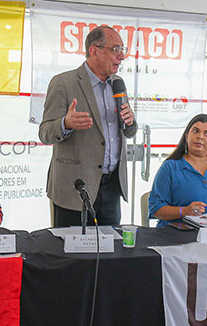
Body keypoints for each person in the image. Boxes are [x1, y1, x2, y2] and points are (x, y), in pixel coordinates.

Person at [39, 25, 137, 227]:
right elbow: (45, 132)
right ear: (94, 51)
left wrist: (130, 122)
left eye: (122, 50)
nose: (122, 57)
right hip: (75, 187)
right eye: (115, 49)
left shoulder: (118, 83)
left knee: (110, 252)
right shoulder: (63, 83)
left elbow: (128, 131)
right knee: (73, 254)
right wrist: (65, 123)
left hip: (111, 187)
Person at [148, 114, 207, 227]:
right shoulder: (170, 168)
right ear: (187, 135)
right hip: (176, 236)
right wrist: (184, 211)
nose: (200, 137)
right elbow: (156, 208)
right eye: (196, 131)